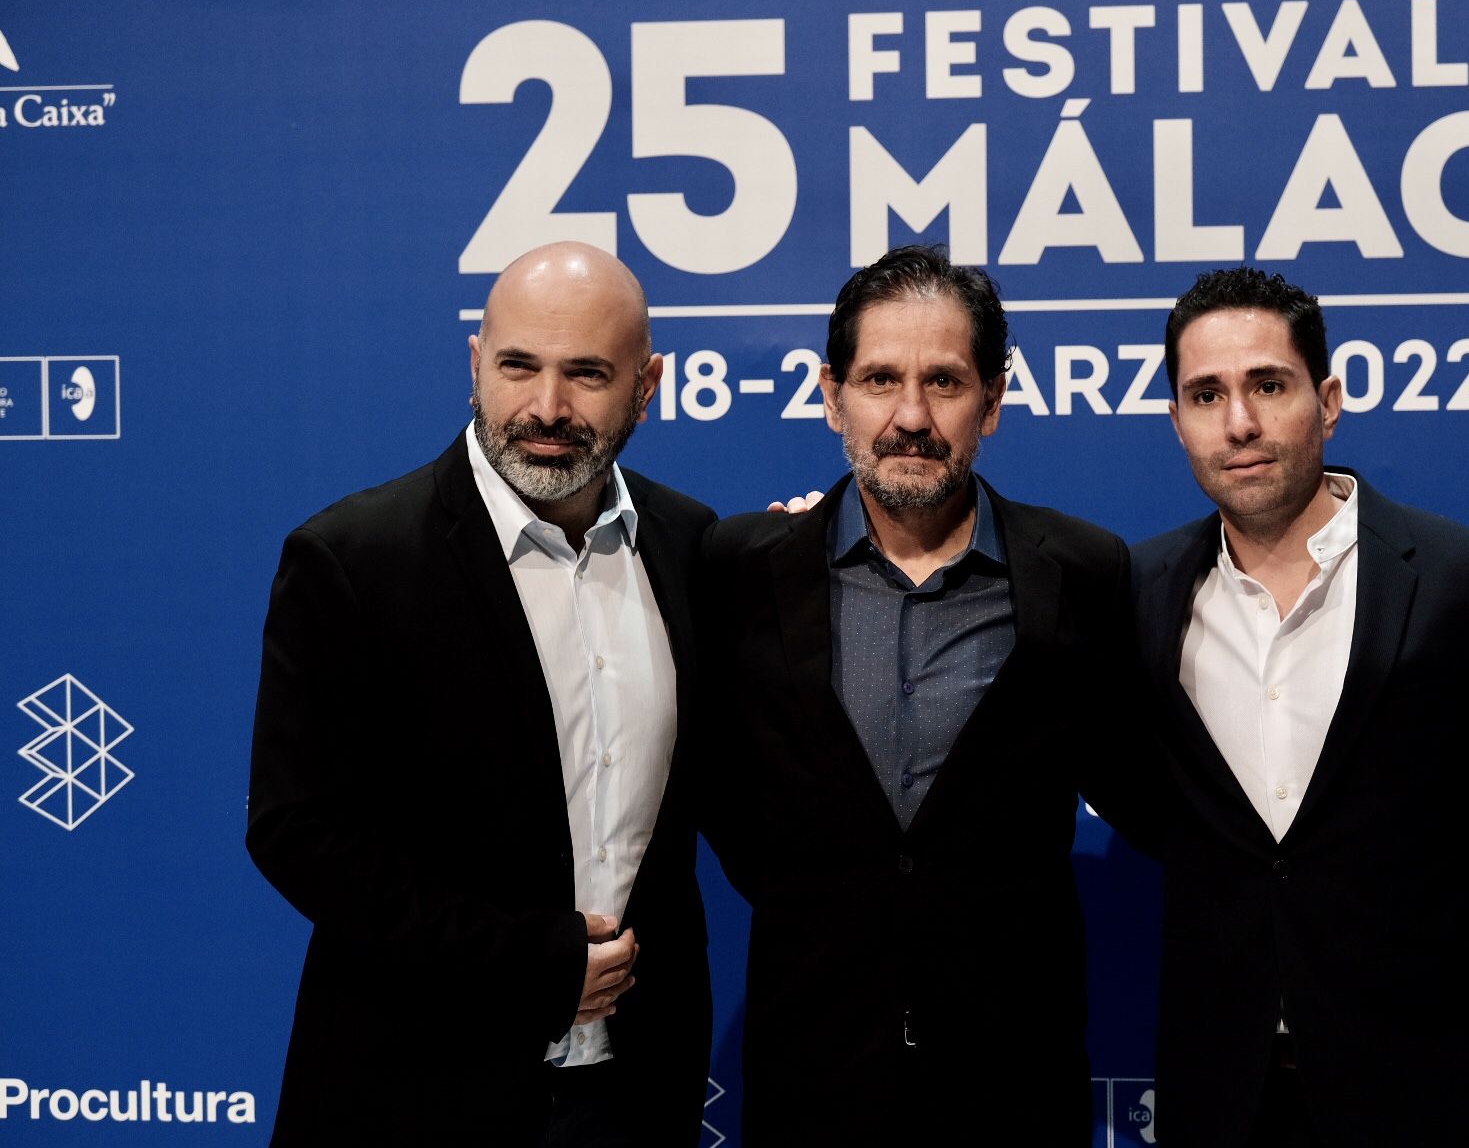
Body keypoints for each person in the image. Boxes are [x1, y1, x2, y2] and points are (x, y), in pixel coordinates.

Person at [1131, 268, 1469, 1146]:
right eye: (1205, 394)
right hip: (1223, 1104)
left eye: (1268, 384)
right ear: (1176, 421)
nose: (1240, 422)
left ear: (1327, 400)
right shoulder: (1137, 594)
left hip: (1442, 1099)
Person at [246, 242, 714, 1146]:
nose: (546, 409)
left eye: (586, 373)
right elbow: (296, 833)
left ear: (647, 383)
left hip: (636, 1096)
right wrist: (527, 964)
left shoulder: (691, 546)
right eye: (517, 367)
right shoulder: (354, 560)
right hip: (413, 1089)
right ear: (474, 361)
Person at [699, 244, 1154, 1145]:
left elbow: (1141, 781)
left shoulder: (1084, 573)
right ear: (832, 395)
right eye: (879, 380)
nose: (911, 417)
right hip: (811, 1062)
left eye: (944, 382)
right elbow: (726, 798)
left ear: (993, 399)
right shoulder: (741, 569)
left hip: (1013, 1072)